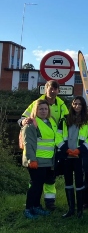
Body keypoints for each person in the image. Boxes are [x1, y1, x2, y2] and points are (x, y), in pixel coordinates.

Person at [19, 80, 69, 210]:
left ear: (58, 91)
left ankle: (47, 203)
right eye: (50, 88)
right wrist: (23, 121)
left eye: (55, 89)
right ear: (45, 89)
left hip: (52, 152)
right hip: (36, 156)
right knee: (36, 183)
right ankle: (31, 206)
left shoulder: (61, 105)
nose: (53, 91)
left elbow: (69, 121)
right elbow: (22, 119)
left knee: (49, 179)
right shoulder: (36, 104)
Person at [57, 96, 88, 218]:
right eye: (75, 103)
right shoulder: (64, 120)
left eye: (80, 104)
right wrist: (65, 149)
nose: (77, 106)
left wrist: (80, 150)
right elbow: (58, 137)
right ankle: (70, 210)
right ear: (72, 105)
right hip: (67, 155)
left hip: (80, 156)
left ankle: (80, 211)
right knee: (68, 182)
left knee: (80, 183)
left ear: (83, 106)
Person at [21, 99, 60, 219]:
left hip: (47, 160)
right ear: (35, 110)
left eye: (45, 109)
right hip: (36, 161)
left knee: (40, 185)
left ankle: (36, 207)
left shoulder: (51, 122)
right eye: (40, 109)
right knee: (35, 186)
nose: (43, 111)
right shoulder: (31, 124)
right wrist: (32, 160)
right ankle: (28, 209)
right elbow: (29, 144)